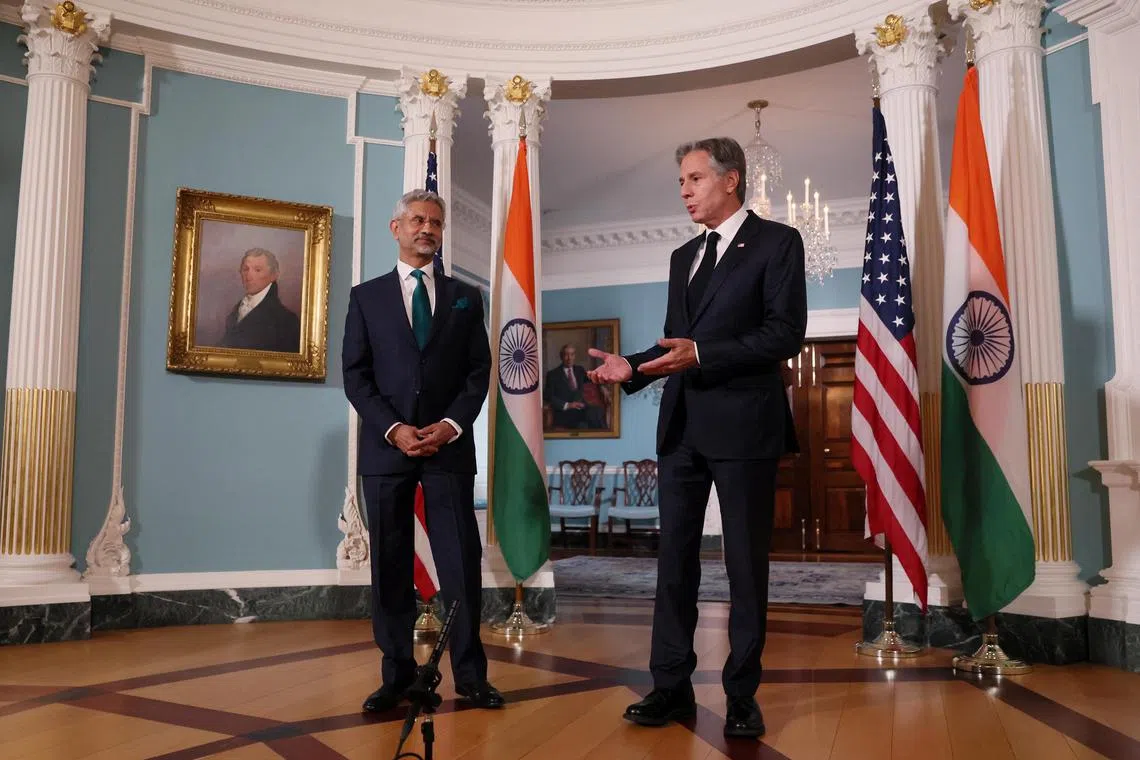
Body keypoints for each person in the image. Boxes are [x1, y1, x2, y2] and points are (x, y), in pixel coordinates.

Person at [587, 137, 807, 738]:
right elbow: (674, 343)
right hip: (682, 428)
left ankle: (741, 695)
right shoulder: (682, 256)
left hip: (745, 428)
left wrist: (703, 353)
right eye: (681, 182)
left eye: (694, 179)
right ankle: (670, 687)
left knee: (744, 567)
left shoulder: (778, 242)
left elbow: (784, 334)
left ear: (730, 180)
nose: (684, 191)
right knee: (674, 564)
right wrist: (633, 367)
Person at [342, 189, 503, 713]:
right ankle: (397, 677)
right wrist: (393, 429)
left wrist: (452, 425)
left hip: (447, 450)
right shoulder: (365, 297)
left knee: (460, 565)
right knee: (390, 567)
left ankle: (472, 678)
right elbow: (356, 376)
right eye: (417, 220)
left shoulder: (465, 297)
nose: (427, 229)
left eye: (435, 222)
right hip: (386, 451)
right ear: (396, 228)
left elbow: (478, 372)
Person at [219, 247, 301, 353]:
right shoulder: (236, 311)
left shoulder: (287, 320)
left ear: (274, 275)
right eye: (245, 269)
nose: (249, 276)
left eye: (257, 270)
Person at [544, 343, 605, 429]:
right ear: (561, 356)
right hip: (565, 412)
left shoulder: (579, 370)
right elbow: (548, 396)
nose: (569, 358)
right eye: (566, 355)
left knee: (597, 412)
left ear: (574, 356)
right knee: (583, 425)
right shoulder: (553, 375)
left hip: (582, 408)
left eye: (572, 354)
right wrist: (568, 405)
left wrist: (603, 388)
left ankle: (604, 435)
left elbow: (593, 379)